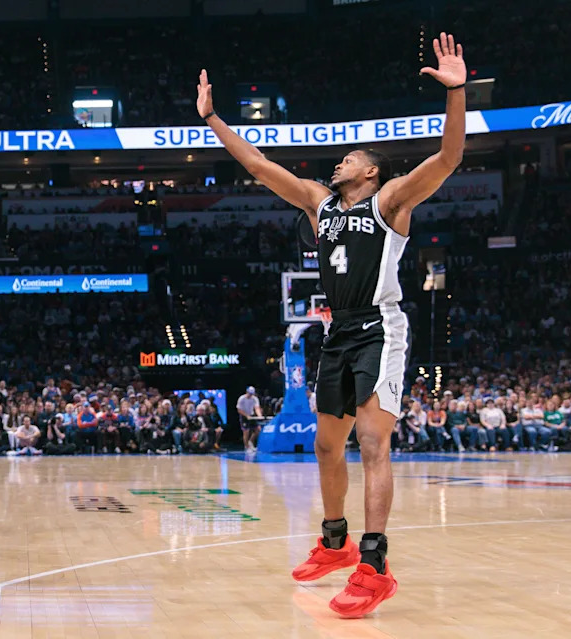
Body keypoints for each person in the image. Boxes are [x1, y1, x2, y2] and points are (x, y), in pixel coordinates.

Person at [199, 32, 468, 616]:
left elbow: (448, 159)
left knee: (372, 441)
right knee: (326, 445)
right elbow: (257, 164)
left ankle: (375, 566)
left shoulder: (390, 202)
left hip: (380, 328)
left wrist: (456, 93)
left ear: (371, 172)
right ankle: (335, 543)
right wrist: (213, 119)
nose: (339, 161)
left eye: (351, 158)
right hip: (340, 330)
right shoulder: (319, 204)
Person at [236, 386, 263, 452]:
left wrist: (259, 415)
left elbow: (257, 408)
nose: (250, 395)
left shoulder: (255, 399)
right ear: (247, 392)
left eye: (252, 394)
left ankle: (250, 441)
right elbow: (239, 410)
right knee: (246, 431)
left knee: (258, 429)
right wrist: (246, 415)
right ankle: (246, 447)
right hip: (243, 416)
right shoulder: (241, 398)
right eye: (249, 393)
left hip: (251, 415)